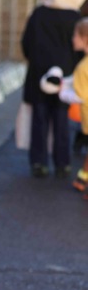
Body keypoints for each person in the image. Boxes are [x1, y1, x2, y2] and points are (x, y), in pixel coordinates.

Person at [21, 0, 88, 178]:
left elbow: (26, 44)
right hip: (66, 79)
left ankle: (38, 162)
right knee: (61, 122)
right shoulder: (74, 17)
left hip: (38, 76)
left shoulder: (39, 13)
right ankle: (62, 162)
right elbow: (80, 53)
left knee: (39, 122)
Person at [69, 18, 88, 192]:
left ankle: (83, 179)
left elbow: (80, 95)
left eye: (76, 35)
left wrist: (61, 92)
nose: (72, 38)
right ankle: (83, 178)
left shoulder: (83, 67)